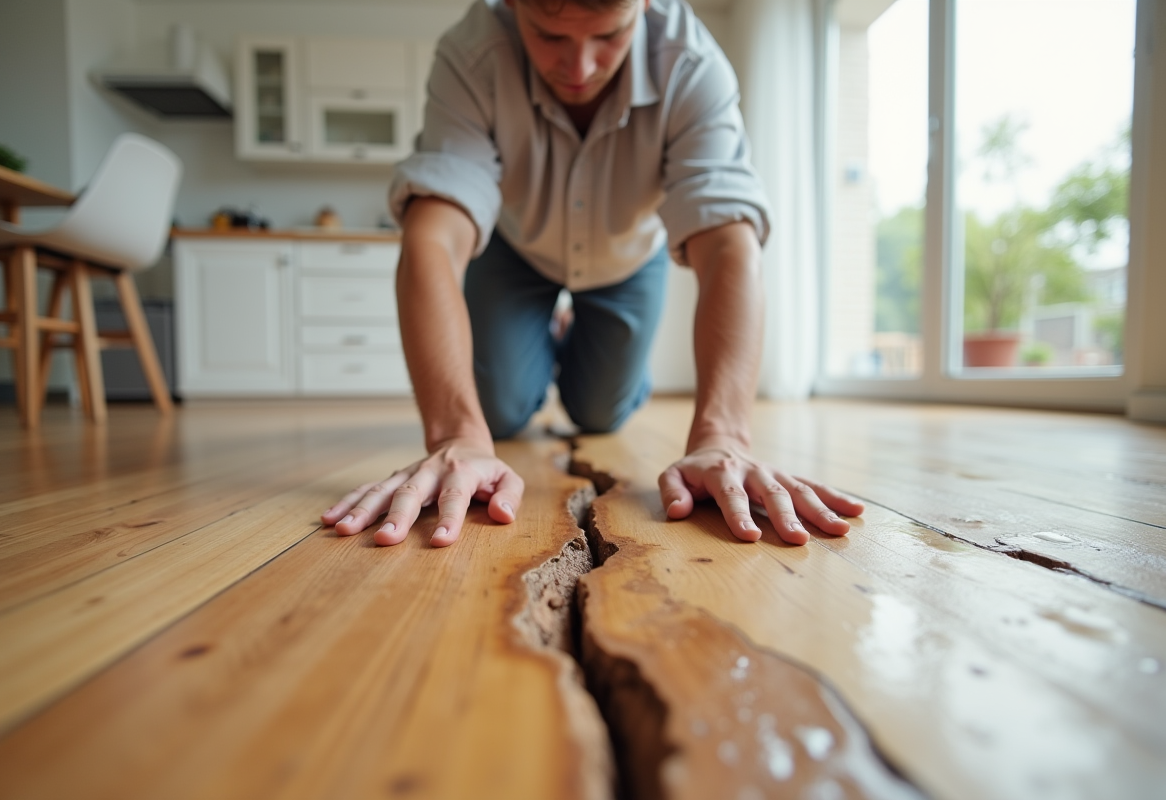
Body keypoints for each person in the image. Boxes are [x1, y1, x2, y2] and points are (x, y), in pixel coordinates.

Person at [321, 0, 864, 547]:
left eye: (608, 34)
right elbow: (431, 236)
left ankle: (562, 336)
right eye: (550, 35)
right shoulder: (472, 53)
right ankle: (539, 334)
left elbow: (729, 245)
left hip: (627, 256)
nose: (579, 68)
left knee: (599, 411)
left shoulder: (692, 65)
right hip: (514, 249)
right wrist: (456, 433)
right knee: (500, 414)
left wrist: (723, 434)